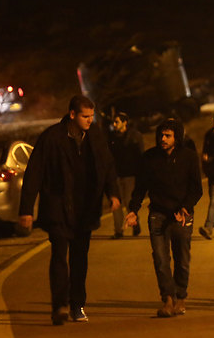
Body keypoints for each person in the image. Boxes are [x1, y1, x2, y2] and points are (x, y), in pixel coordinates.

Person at [18, 95, 121, 325]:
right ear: (72, 114)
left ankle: (77, 304)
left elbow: (107, 165)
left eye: (92, 116)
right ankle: (59, 306)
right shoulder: (52, 137)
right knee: (59, 256)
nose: (89, 120)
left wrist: (113, 193)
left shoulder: (94, 135)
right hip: (58, 206)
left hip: (85, 209)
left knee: (79, 259)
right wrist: (26, 209)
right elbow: (34, 173)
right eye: (85, 116)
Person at [124, 118, 202, 318]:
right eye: (161, 135)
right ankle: (167, 299)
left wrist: (185, 207)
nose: (163, 139)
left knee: (182, 259)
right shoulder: (149, 158)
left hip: (182, 215)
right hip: (158, 214)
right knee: (160, 259)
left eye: (168, 135)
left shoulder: (189, 157)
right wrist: (133, 210)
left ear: (177, 137)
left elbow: (196, 189)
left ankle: (181, 297)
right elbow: (140, 187)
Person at [108, 112, 144, 238]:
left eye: (117, 122)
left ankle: (135, 224)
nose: (114, 124)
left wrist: (141, 173)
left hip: (130, 174)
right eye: (114, 122)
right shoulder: (111, 138)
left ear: (124, 122)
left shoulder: (134, 136)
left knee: (129, 202)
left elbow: (140, 155)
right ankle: (118, 231)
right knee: (115, 203)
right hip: (116, 175)